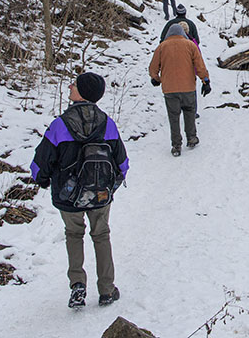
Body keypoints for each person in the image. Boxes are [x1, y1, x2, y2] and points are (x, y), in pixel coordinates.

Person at [31, 72, 129, 309]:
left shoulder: (60, 125)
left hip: (68, 195)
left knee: (74, 234)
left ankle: (77, 285)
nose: (70, 86)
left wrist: (42, 179)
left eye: (74, 84)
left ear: (82, 92)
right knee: (101, 235)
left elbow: (41, 162)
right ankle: (106, 289)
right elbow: (122, 162)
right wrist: (112, 186)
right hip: (100, 195)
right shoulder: (107, 123)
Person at [148, 26, 211, 156]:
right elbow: (199, 66)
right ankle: (192, 138)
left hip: (169, 89)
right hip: (188, 87)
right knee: (189, 112)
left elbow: (153, 67)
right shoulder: (190, 45)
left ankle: (176, 146)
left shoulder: (161, 47)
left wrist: (156, 78)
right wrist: (205, 81)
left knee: (173, 117)